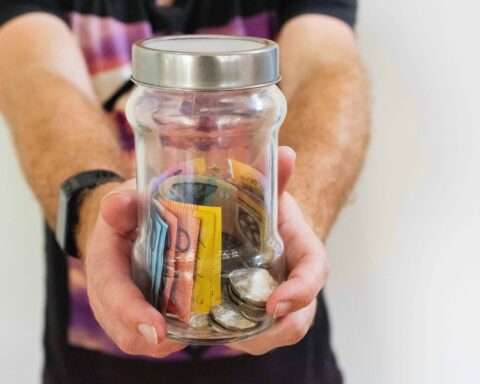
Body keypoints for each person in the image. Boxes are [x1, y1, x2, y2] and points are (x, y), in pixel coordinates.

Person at [0, 1, 369, 383]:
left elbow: (326, 66)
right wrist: (96, 210)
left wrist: (288, 218)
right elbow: (35, 72)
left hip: (284, 364)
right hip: (97, 362)